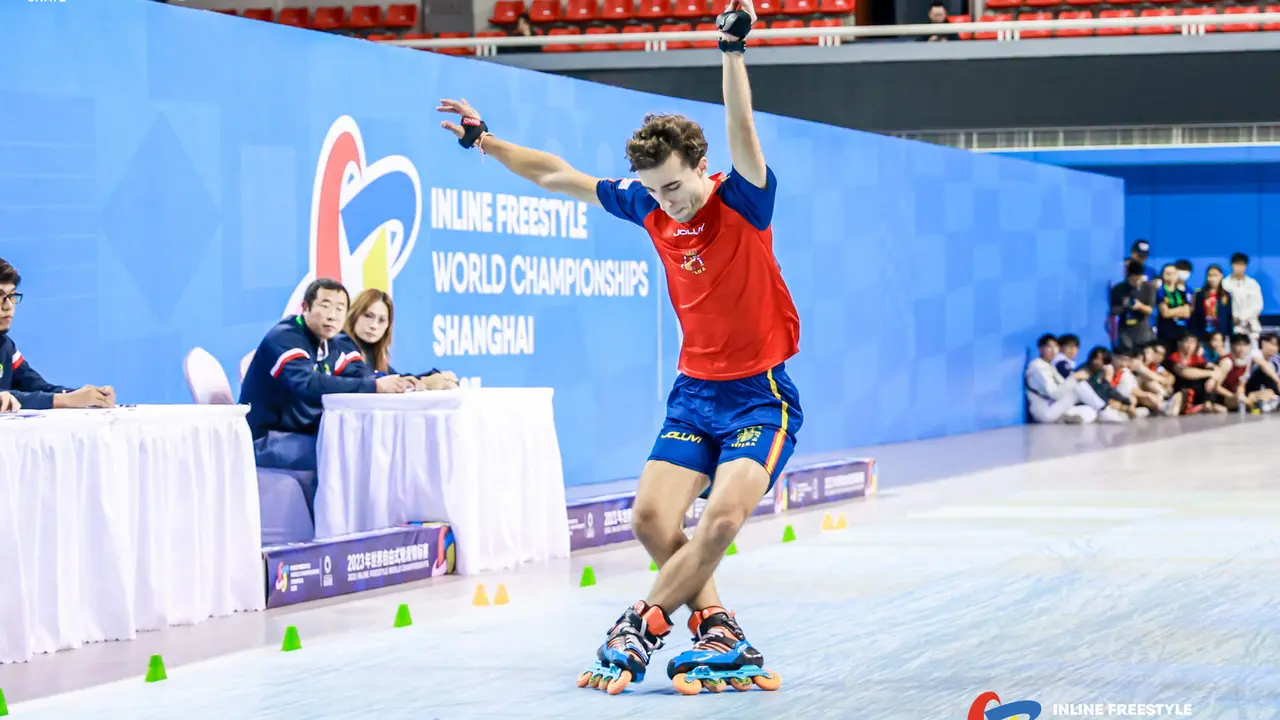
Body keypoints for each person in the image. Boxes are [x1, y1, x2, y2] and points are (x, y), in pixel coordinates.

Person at [440, 0, 793, 694]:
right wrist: (486, 142)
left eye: (678, 186)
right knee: (650, 519)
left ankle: (642, 622)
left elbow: (742, 129)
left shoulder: (743, 199)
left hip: (761, 392)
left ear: (700, 166)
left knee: (722, 516)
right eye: (657, 191)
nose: (671, 203)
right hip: (694, 394)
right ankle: (720, 630)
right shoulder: (650, 205)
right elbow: (555, 175)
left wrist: (730, 51)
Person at [239, 279, 415, 472]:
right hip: (264, 439)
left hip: (301, 432)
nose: (332, 316)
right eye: (325, 306)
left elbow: (360, 375)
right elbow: (307, 384)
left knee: (366, 446)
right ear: (305, 307)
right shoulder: (285, 338)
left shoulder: (329, 343)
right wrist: (375, 387)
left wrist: (417, 381)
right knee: (343, 454)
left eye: (340, 309)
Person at [0, 257, 115, 409]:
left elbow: (36, 387)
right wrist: (66, 400)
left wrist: (85, 395)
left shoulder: (5, 346)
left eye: (12, 296)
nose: (8, 306)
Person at [345, 289, 459, 391]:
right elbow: (368, 380)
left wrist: (435, 376)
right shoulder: (342, 344)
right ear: (354, 315)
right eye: (368, 316)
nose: (374, 325)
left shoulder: (373, 353)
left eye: (382, 320)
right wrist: (423, 382)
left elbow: (396, 377)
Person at [1025, 334, 1097, 424]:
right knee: (1077, 388)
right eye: (1049, 347)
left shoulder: (1049, 365)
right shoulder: (1038, 367)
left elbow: (1063, 385)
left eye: (1056, 347)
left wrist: (1074, 379)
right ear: (1040, 349)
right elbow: (1055, 394)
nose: (1054, 351)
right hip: (1044, 412)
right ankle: (1104, 408)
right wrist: (1074, 378)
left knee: (1090, 411)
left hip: (1054, 407)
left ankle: (1063, 418)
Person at [1110, 260, 1156, 353]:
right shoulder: (1118, 289)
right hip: (1125, 330)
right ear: (1129, 277)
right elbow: (1113, 310)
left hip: (1142, 329)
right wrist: (1125, 307)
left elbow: (1150, 310)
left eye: (1140, 279)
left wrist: (1140, 306)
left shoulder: (1148, 288)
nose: (1138, 282)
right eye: (1135, 279)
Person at [1222, 252, 1263, 347]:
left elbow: (1258, 306)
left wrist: (1241, 317)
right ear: (1232, 265)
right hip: (1232, 327)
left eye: (1242, 264)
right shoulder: (1224, 284)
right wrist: (1233, 317)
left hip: (1250, 327)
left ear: (1246, 266)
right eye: (1237, 264)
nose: (1239, 267)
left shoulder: (1253, 284)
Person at [1155, 263, 1192, 350]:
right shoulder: (1160, 292)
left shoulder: (1182, 292)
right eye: (1168, 274)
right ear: (1163, 276)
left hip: (1181, 332)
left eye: (1174, 273)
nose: (1171, 276)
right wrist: (1180, 309)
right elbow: (1165, 313)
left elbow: (1187, 313)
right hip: (1166, 333)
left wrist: (1172, 311)